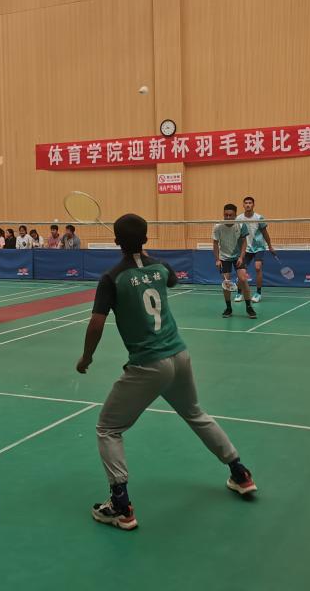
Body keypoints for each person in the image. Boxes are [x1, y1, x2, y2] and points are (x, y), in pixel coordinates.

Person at [75, 213, 257, 530]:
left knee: (108, 429)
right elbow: (170, 279)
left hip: (148, 365)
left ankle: (120, 506)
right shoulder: (160, 267)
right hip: (179, 356)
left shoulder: (111, 278)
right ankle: (240, 473)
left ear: (116, 241)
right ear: (146, 239)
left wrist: (86, 357)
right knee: (196, 413)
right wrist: (144, 258)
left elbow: (96, 323)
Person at [213, 204, 257, 319]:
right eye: (226, 215)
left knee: (243, 279)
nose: (228, 217)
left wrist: (241, 257)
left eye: (230, 215)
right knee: (226, 283)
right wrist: (217, 259)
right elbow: (215, 244)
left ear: (235, 215)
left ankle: (249, 307)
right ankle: (228, 308)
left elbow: (244, 243)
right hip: (224, 257)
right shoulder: (218, 226)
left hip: (238, 256)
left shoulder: (241, 225)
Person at [236, 196, 276, 303]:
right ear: (243, 205)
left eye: (250, 203)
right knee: (241, 270)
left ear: (253, 205)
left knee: (258, 267)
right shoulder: (238, 218)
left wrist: (270, 246)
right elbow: (236, 234)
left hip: (259, 247)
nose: (248, 205)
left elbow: (265, 233)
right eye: (246, 203)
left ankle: (258, 293)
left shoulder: (259, 218)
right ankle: (239, 293)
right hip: (245, 248)